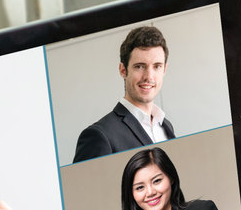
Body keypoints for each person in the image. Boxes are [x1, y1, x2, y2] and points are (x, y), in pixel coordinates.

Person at [74, 23, 177, 161]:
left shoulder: (165, 125)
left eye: (157, 66)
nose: (149, 76)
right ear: (123, 70)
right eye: (140, 66)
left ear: (164, 70)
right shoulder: (100, 136)